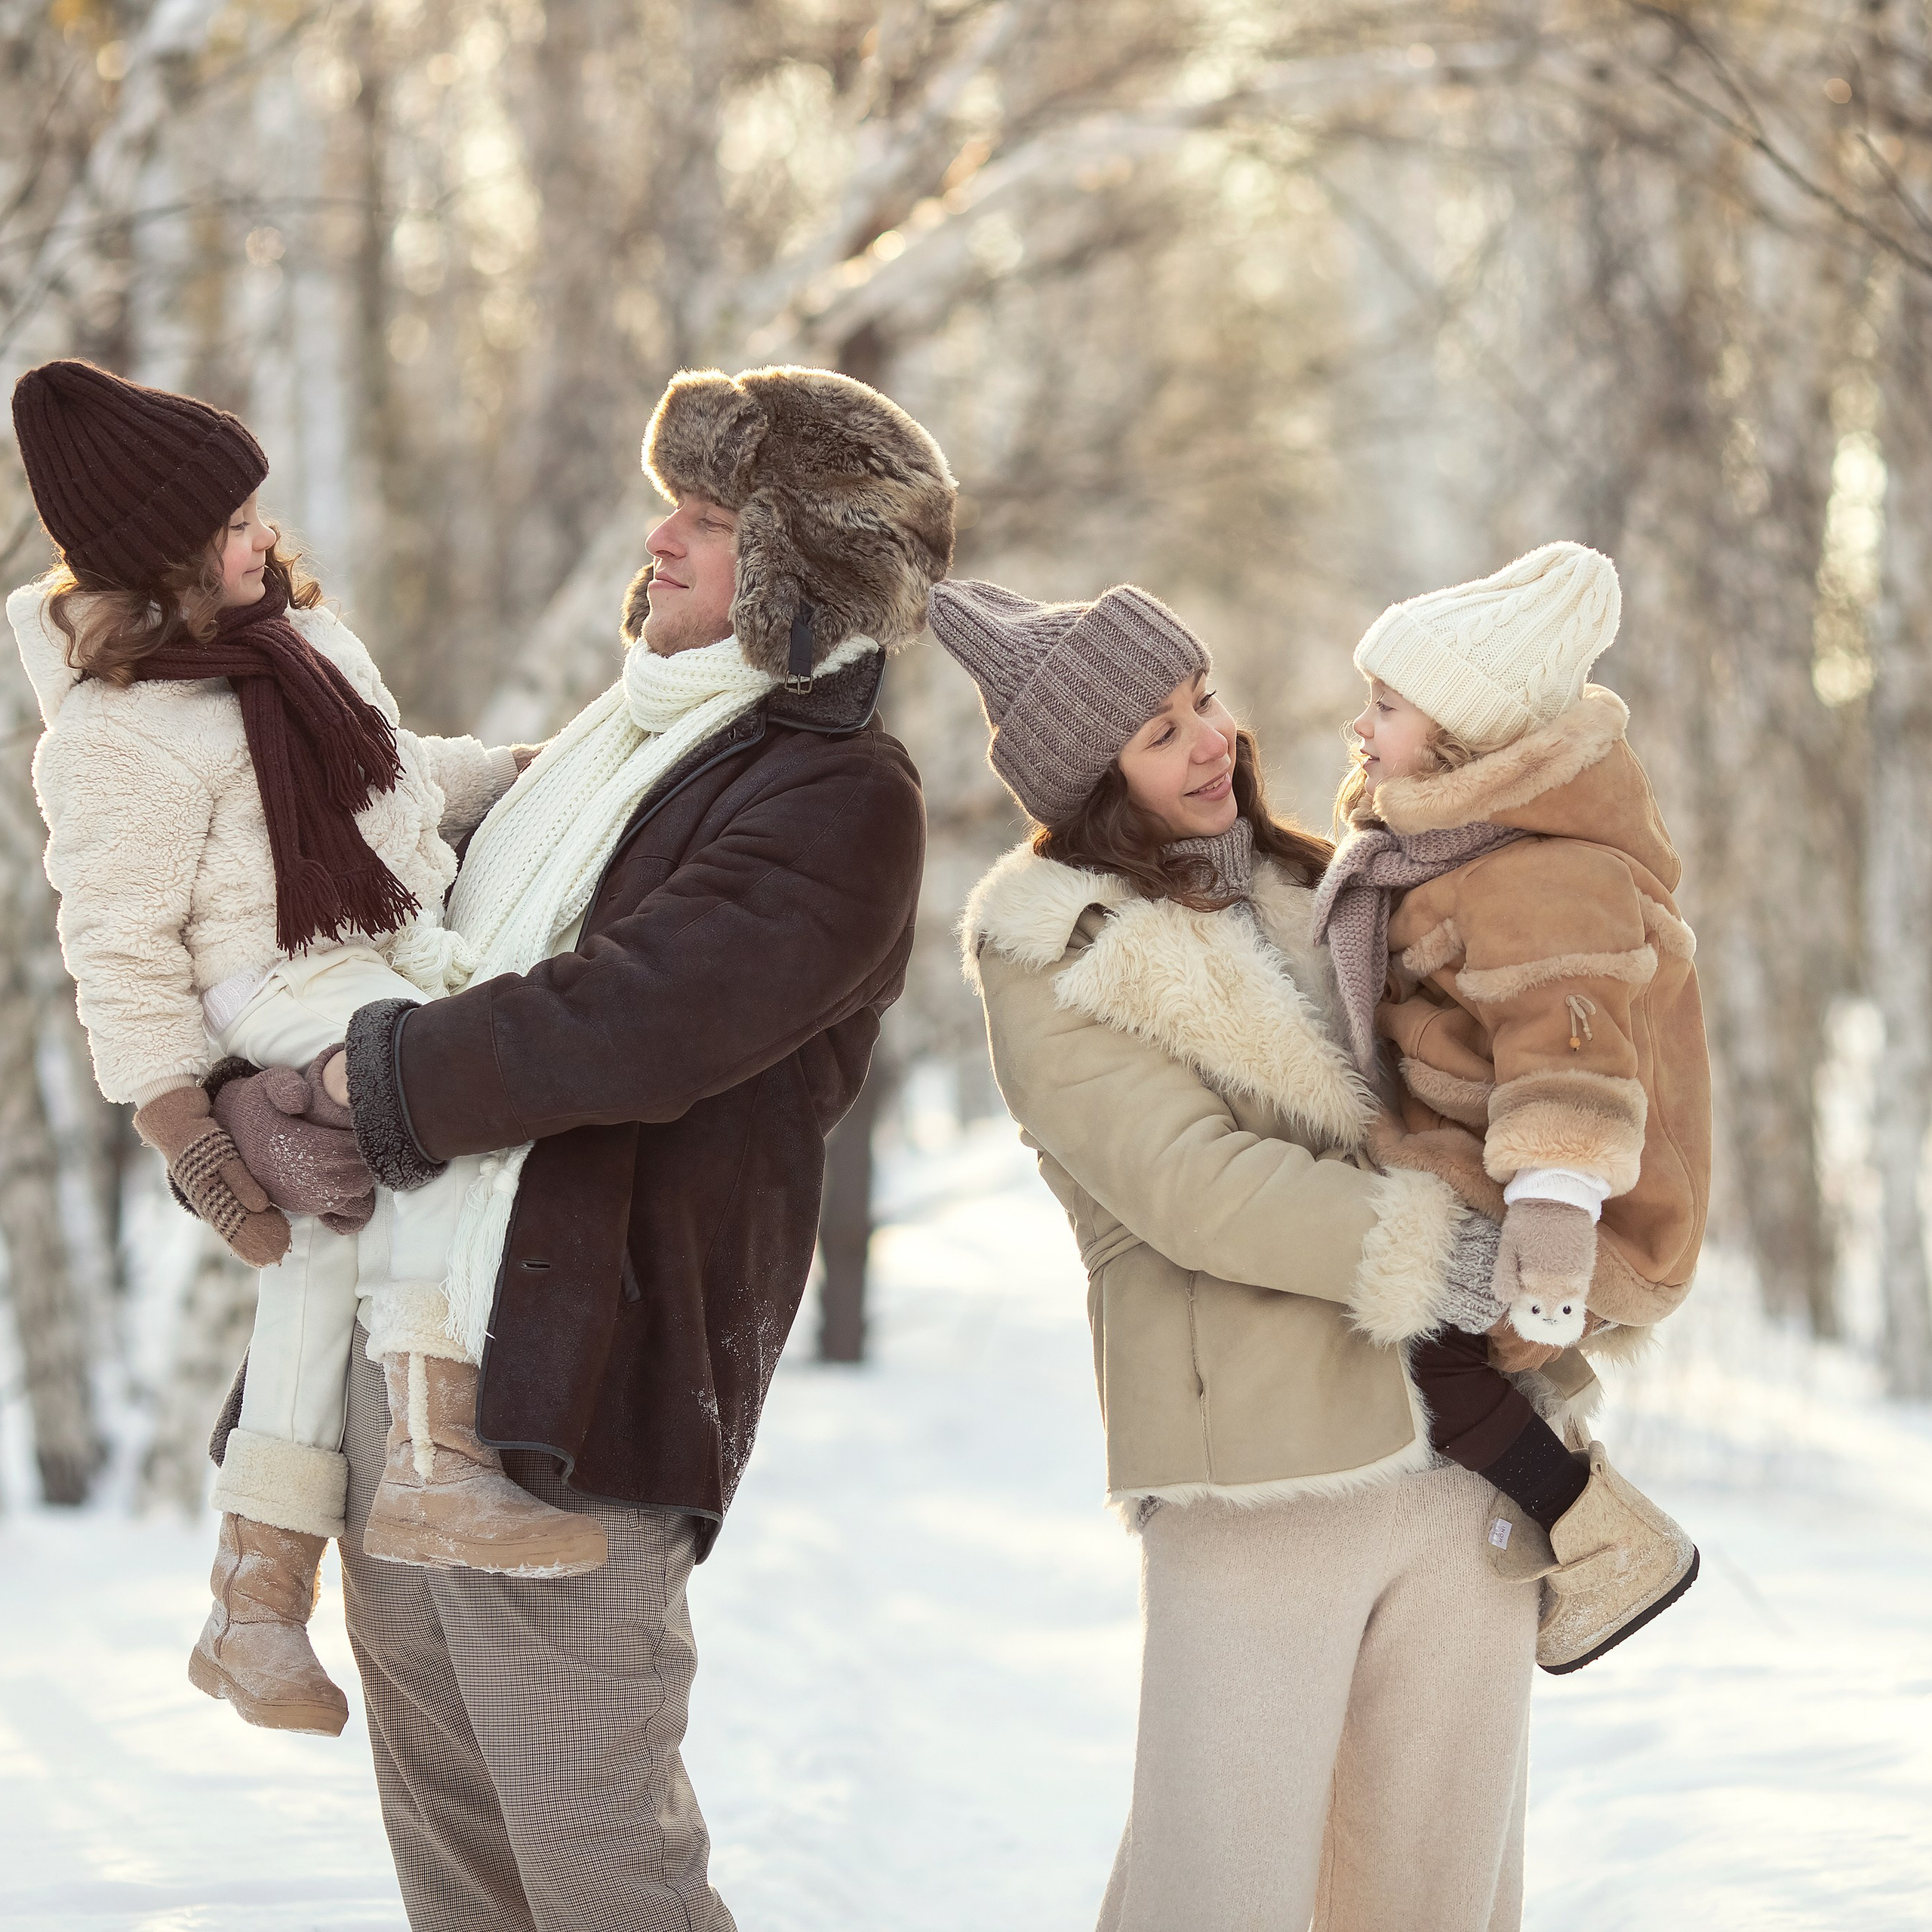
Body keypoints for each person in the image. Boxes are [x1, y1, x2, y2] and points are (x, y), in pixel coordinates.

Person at [217, 363, 949, 1932]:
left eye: (711, 518)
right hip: (395, 1350)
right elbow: (389, 946)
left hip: (573, 1385)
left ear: (805, 569)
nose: (661, 540)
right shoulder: (599, 755)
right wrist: (252, 1095)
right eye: (669, 508)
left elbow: (632, 1020)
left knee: (597, 1862)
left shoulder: (836, 795)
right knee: (458, 1859)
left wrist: (361, 1078)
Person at [931, 577, 1549, 1930]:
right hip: (1257, 1473)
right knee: (1218, 1885)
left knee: (1436, 1885)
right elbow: (1192, 1187)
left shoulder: (1327, 884)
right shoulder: (1054, 951)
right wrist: (1448, 1254)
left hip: (1465, 1449)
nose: (1213, 740)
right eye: (1161, 733)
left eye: (1203, 700)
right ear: (1094, 784)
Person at [6, 360, 586, 1747]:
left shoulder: (306, 645)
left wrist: (518, 772)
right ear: (163, 562)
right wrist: (180, 1123)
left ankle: (255, 1603)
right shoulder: (120, 733)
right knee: (447, 1107)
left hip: (383, 951)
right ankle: (437, 1460)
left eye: (257, 512)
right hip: (274, 983)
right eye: (232, 527)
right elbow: (118, 944)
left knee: (328, 1244)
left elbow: (384, 776)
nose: (263, 539)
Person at [1312, 540, 1707, 1672]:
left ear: (1461, 739)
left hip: (1571, 1204)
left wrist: (1551, 1231)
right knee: (1422, 1342)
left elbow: (1568, 1061)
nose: (1359, 726)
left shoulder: (1543, 874)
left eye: (1386, 706)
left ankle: (1607, 1539)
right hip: (1483, 1160)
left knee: (1434, 1359)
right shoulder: (1454, 843)